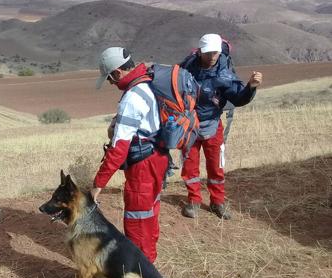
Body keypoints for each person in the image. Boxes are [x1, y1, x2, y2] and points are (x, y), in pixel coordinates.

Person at [90, 47, 169, 263]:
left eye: (110, 78)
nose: (111, 83)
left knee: (137, 223)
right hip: (158, 157)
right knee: (150, 216)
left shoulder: (131, 98)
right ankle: (150, 264)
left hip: (142, 166)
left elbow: (118, 151)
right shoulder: (147, 82)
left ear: (117, 72)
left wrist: (97, 186)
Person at [179, 34, 263, 219]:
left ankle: (217, 201)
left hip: (213, 124)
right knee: (190, 165)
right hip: (189, 125)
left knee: (216, 166)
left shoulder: (225, 74)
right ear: (200, 51)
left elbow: (238, 97)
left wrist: (251, 87)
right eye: (208, 52)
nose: (212, 56)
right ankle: (194, 200)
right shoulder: (186, 68)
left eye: (215, 52)